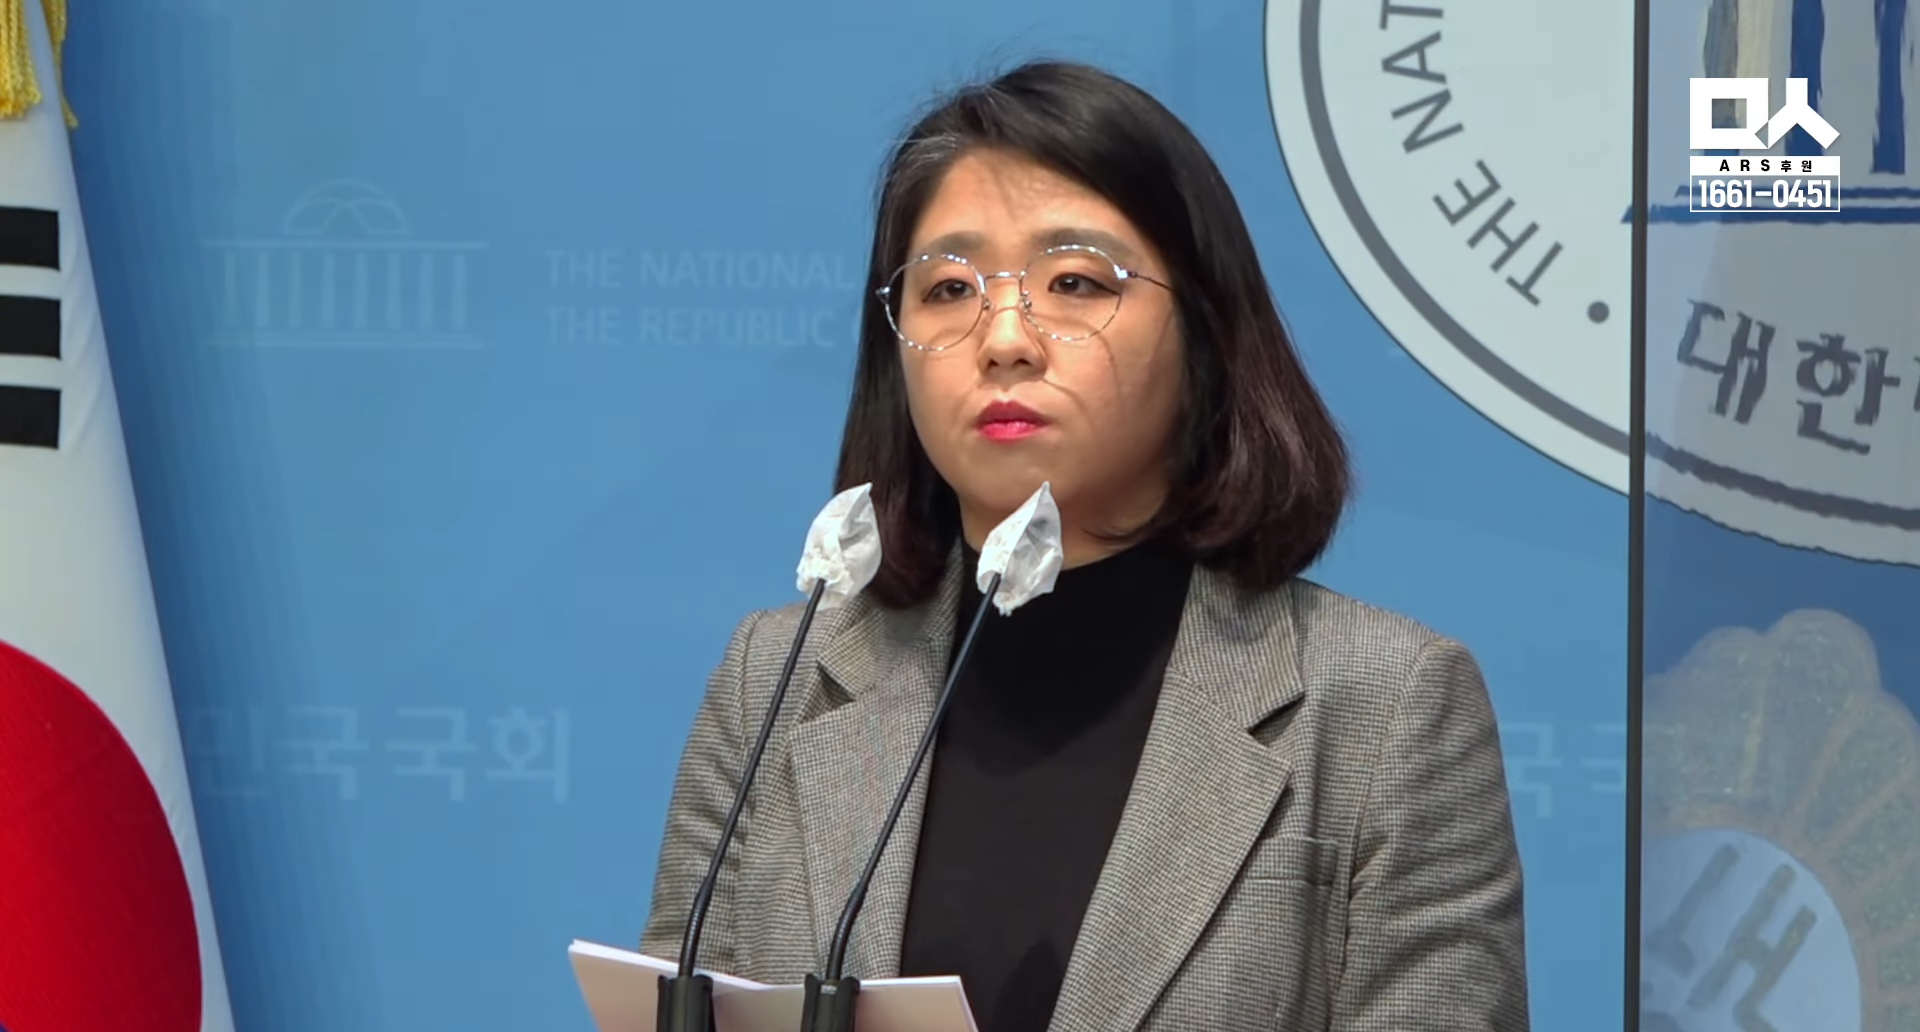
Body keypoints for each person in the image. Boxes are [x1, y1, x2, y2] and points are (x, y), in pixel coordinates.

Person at [640, 59, 1529, 1032]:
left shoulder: (1387, 705)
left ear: (1204, 335)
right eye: (948, 289)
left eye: (1073, 282)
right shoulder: (777, 681)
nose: (1004, 338)